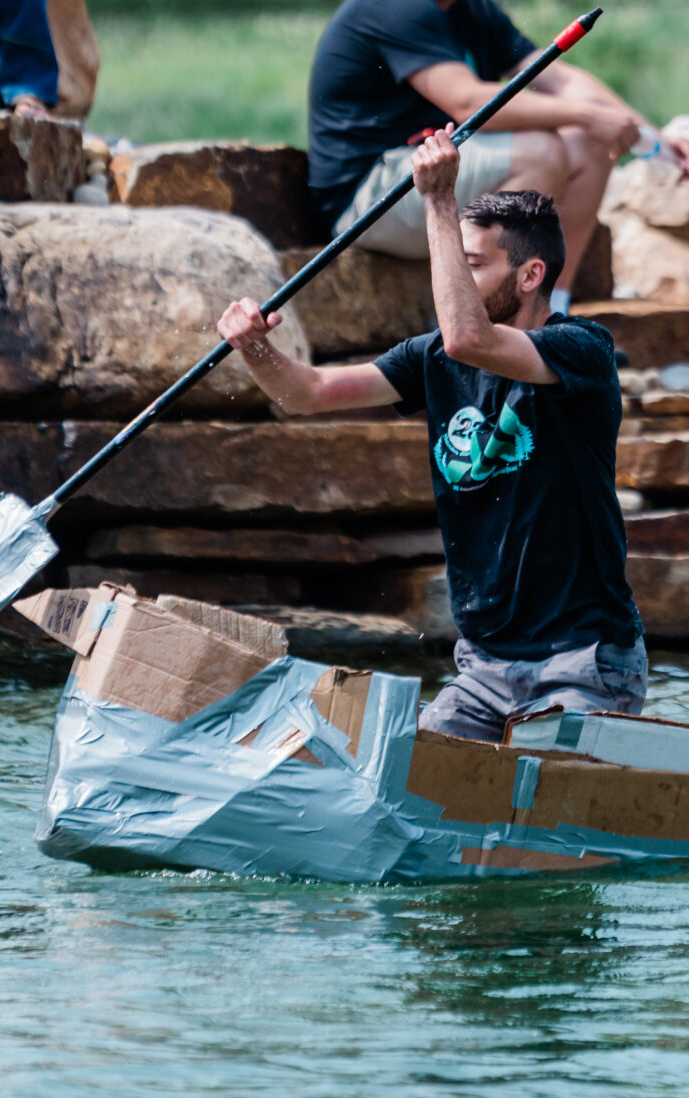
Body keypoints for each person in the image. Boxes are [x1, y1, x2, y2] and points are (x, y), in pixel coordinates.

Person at [218, 133, 645, 741]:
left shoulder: (582, 350)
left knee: (546, 808)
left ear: (530, 274)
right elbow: (304, 394)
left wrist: (439, 200)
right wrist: (254, 346)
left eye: (472, 265)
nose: (452, 281)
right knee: (395, 780)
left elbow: (469, 337)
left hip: (583, 662)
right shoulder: (433, 359)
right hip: (485, 670)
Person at [305, 0, 689, 313]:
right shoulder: (395, 1)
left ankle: (552, 315)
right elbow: (470, 103)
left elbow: (554, 76)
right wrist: (586, 115)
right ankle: (490, 327)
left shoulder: (469, 5)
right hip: (367, 199)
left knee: (586, 144)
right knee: (542, 153)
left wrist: (647, 133)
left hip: (426, 169)